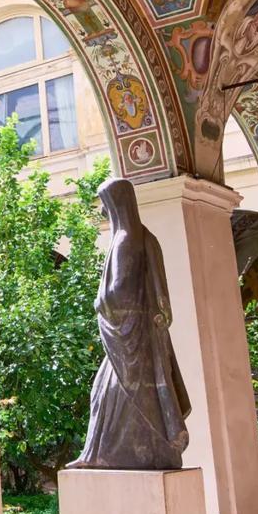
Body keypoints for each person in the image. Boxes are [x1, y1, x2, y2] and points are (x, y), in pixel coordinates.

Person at [73, 178, 191, 471]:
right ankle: (149, 451)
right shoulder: (145, 237)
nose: (103, 211)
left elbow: (118, 291)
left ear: (116, 205)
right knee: (120, 394)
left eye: (105, 204)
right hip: (141, 336)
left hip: (129, 336)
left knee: (108, 395)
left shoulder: (125, 238)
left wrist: (99, 303)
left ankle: (103, 455)